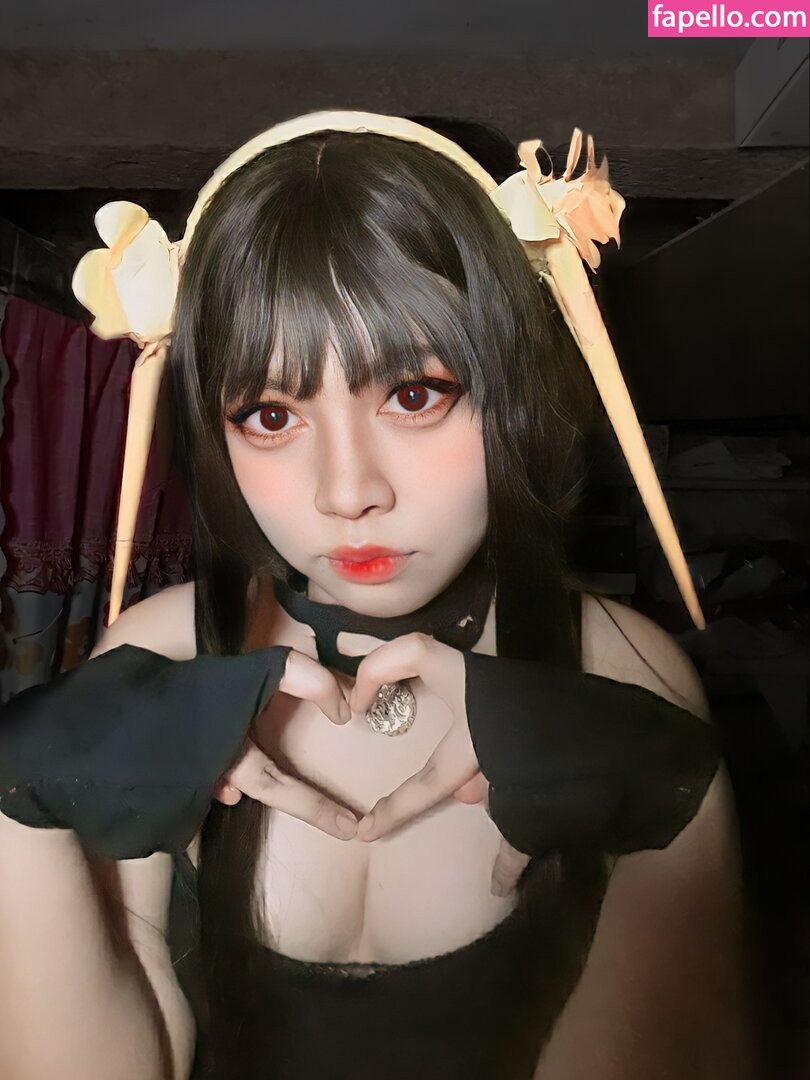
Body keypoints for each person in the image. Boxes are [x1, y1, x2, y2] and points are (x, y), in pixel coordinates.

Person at [0, 112, 751, 1080]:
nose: (347, 491)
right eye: (272, 414)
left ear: (514, 388)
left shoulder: (624, 670)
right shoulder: (158, 655)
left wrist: (685, 812)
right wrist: (21, 791)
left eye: (414, 394)